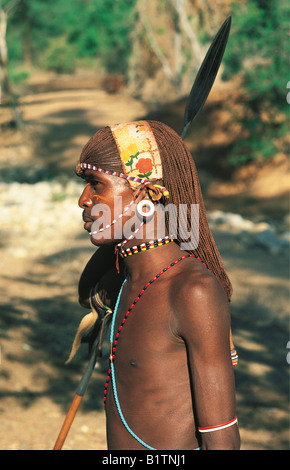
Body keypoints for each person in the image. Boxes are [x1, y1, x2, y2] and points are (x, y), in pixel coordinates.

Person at [74, 120, 240, 450]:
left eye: (96, 184)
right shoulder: (124, 280)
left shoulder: (192, 291)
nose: (83, 200)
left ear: (148, 195)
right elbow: (86, 292)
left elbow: (222, 441)